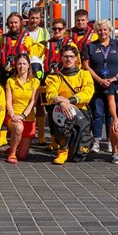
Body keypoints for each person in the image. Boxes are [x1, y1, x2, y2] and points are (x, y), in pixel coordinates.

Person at [83, 19, 118, 154]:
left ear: (110, 30)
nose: (102, 32)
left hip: (114, 86)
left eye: (105, 29)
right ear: (96, 31)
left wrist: (115, 78)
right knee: (97, 114)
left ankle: (110, 141)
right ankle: (96, 140)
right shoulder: (91, 46)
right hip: (97, 85)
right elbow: (86, 66)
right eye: (100, 30)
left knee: (111, 114)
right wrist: (99, 80)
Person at [44, 46, 94, 165]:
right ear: (61, 58)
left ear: (76, 58)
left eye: (71, 56)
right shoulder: (54, 77)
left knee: (78, 155)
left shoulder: (85, 74)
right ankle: (62, 150)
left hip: (81, 111)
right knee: (62, 131)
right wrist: (60, 102)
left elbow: (88, 93)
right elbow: (50, 94)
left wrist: (69, 101)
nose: (68, 59)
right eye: (65, 56)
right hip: (62, 111)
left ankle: (73, 148)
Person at [31, 18, 77, 147]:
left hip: (66, 82)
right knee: (51, 111)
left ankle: (67, 140)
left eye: (59, 29)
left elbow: (76, 61)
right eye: (54, 29)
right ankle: (53, 140)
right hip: (50, 82)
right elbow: (33, 54)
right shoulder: (45, 44)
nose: (57, 31)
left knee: (66, 112)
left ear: (64, 30)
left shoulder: (71, 44)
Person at [4, 54, 39, 163]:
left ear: (29, 65)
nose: (21, 66)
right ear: (15, 65)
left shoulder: (35, 82)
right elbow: (8, 101)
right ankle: (12, 153)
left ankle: (14, 145)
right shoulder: (11, 81)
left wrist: (23, 116)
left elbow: (33, 102)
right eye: (19, 63)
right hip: (13, 116)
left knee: (23, 156)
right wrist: (13, 115)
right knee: (18, 128)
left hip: (28, 118)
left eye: (24, 63)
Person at [0, 12, 34, 85]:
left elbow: (32, 57)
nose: (13, 25)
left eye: (16, 22)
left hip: (22, 71)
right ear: (8, 24)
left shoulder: (28, 39)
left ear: (21, 23)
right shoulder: (2, 39)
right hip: (6, 72)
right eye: (11, 23)